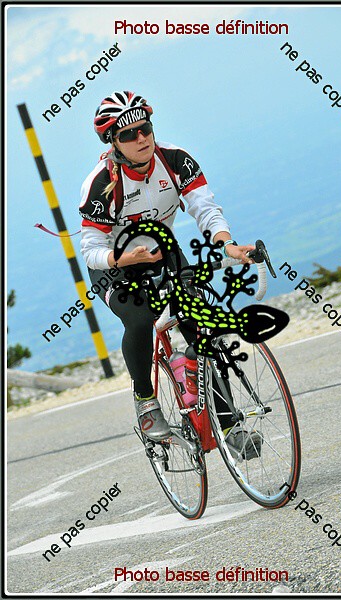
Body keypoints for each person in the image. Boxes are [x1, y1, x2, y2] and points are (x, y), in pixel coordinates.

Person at [79, 90, 258, 451]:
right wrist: (121, 260)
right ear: (113, 141)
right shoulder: (100, 183)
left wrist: (226, 244)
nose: (141, 138)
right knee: (140, 319)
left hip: (163, 253)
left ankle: (229, 426)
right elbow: (90, 250)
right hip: (115, 266)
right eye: (128, 134)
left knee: (200, 326)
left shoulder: (175, 159)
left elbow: (205, 208)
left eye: (144, 128)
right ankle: (146, 402)